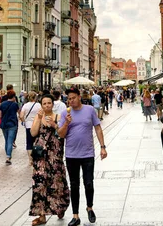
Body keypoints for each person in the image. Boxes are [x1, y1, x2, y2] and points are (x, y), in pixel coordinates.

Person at [58, 87, 107, 226]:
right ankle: (75, 215)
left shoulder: (90, 110)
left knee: (88, 183)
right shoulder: (64, 113)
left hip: (87, 153)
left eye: (73, 98)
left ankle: (89, 207)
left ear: (79, 97)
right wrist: (67, 122)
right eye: (69, 99)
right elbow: (61, 134)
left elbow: (97, 127)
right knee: (74, 185)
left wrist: (103, 147)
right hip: (71, 154)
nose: (71, 101)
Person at [29, 94, 70, 225]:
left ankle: (59, 207)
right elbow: (33, 133)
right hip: (41, 156)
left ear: (53, 104)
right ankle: (41, 215)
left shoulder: (58, 117)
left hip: (55, 155)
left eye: (49, 103)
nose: (47, 105)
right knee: (40, 183)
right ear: (41, 105)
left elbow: (62, 134)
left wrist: (55, 125)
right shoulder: (38, 116)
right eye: (44, 103)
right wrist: (39, 118)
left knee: (56, 182)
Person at [19, 91, 41, 164]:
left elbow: (21, 116)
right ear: (35, 97)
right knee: (37, 141)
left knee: (29, 142)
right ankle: (37, 158)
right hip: (37, 125)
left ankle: (30, 159)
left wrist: (24, 121)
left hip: (28, 125)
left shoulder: (25, 105)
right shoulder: (38, 105)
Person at [0, 91, 19, 164]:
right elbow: (19, 112)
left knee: (6, 140)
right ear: (13, 97)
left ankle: (7, 155)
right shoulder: (15, 104)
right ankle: (8, 157)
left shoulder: (2, 104)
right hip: (12, 124)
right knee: (10, 140)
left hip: (4, 124)